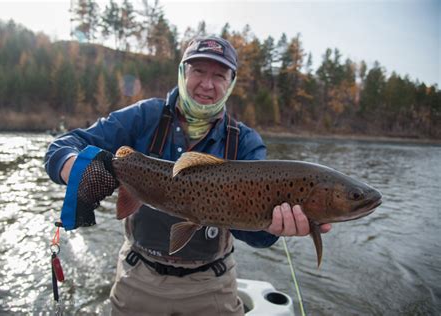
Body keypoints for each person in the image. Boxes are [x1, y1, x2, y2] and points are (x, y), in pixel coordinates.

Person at [44, 35, 331, 315]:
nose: (207, 84)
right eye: (198, 71)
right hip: (138, 275)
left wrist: (272, 227)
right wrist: (77, 168)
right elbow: (61, 147)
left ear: (231, 84)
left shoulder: (244, 142)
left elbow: (253, 236)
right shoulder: (145, 116)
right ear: (182, 72)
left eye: (219, 75)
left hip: (211, 284)